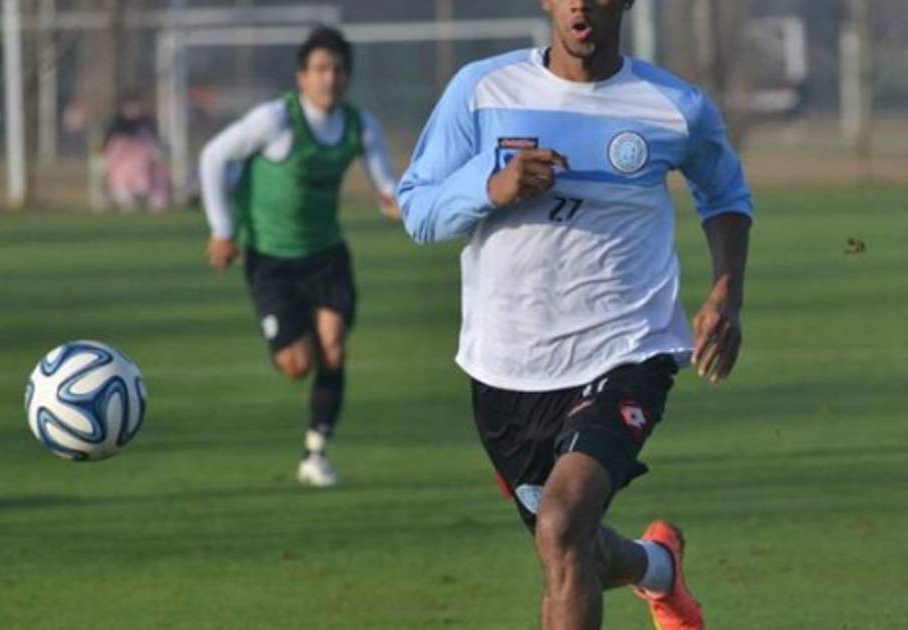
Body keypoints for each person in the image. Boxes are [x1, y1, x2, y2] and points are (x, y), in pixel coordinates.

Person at [397, 1, 752, 628]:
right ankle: (659, 568)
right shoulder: (482, 91)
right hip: (506, 368)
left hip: (627, 351)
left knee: (563, 522)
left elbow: (724, 194)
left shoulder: (674, 107)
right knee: (569, 546)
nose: (580, 3)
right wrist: (490, 188)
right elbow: (417, 211)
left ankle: (651, 568)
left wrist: (726, 293)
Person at [199, 25, 400, 488]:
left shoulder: (360, 125)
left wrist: (406, 205)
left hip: (327, 254)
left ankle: (316, 452)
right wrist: (223, 231)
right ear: (302, 77)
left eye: (338, 70)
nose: (330, 78)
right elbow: (213, 156)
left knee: (334, 348)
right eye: (321, 69)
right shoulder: (275, 120)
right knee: (298, 365)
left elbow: (387, 185)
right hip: (270, 260)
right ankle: (292, 337)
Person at [104, 93, 172, 211]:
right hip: (123, 169)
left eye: (135, 105)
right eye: (130, 105)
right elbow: (110, 149)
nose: (133, 109)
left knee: (158, 179)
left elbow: (155, 147)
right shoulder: (116, 127)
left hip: (146, 168)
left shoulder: (146, 125)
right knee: (123, 191)